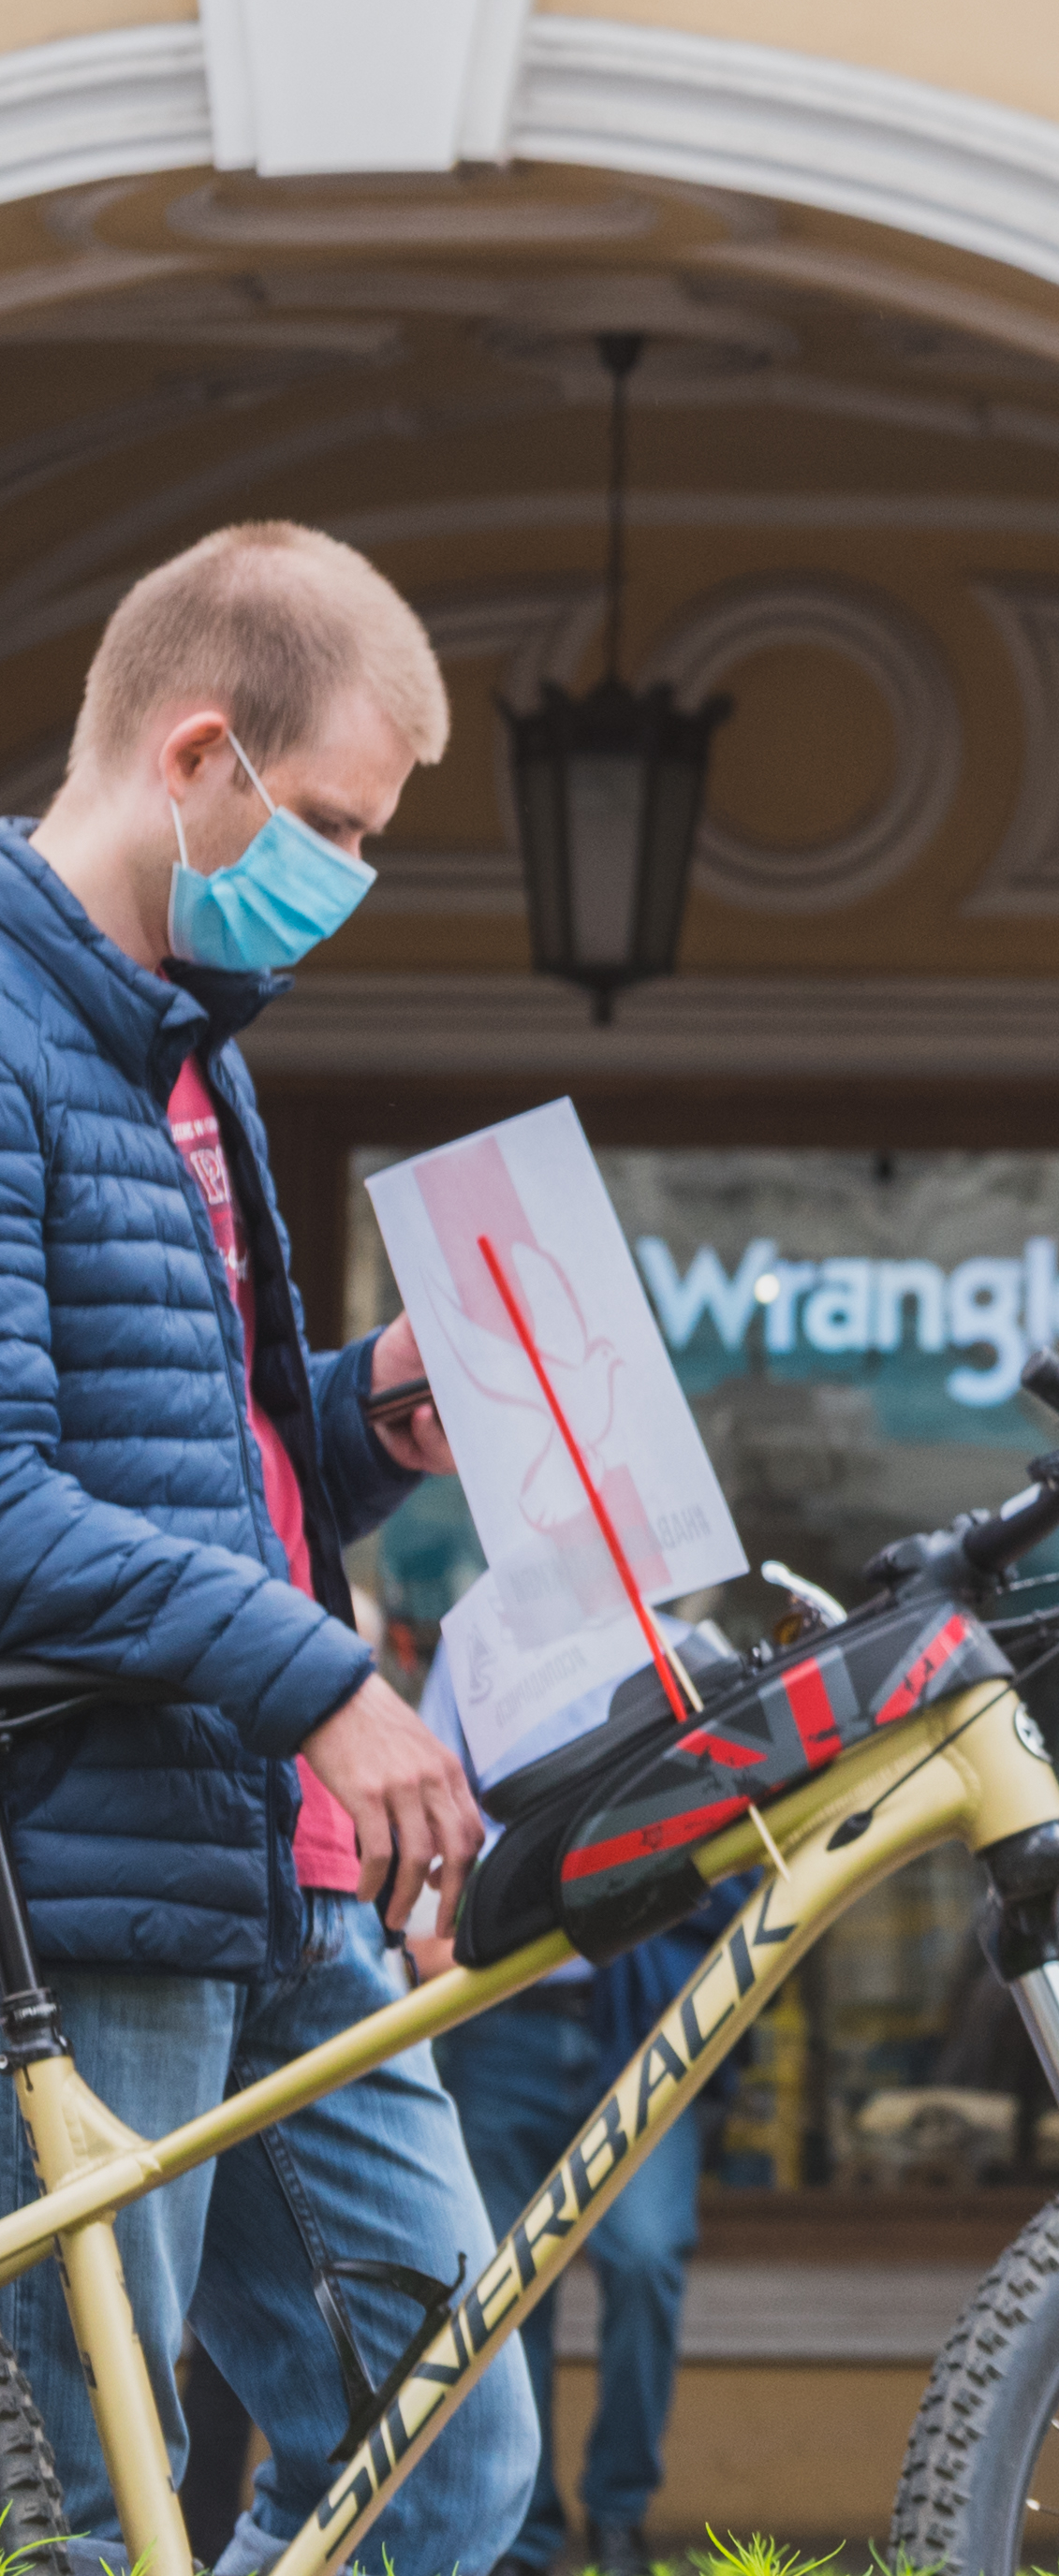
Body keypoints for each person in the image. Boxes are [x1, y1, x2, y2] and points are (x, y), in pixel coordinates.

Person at [0, 521, 537, 2574]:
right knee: (88, 2509)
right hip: (91, 1880)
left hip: (273, 1872)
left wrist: (361, 1413)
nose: (343, 879)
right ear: (197, 751)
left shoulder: (192, 1042)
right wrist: (328, 1681)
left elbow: (185, 1456)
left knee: (452, 2460)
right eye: (325, 821)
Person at [417, 1593, 718, 2576]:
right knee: (509, 2292)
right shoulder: (477, 1651)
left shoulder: (685, 1652)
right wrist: (426, 1940)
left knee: (645, 2257)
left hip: (640, 2022)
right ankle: (529, 2529)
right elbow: (432, 1810)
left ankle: (620, 2510)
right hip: (502, 2021)